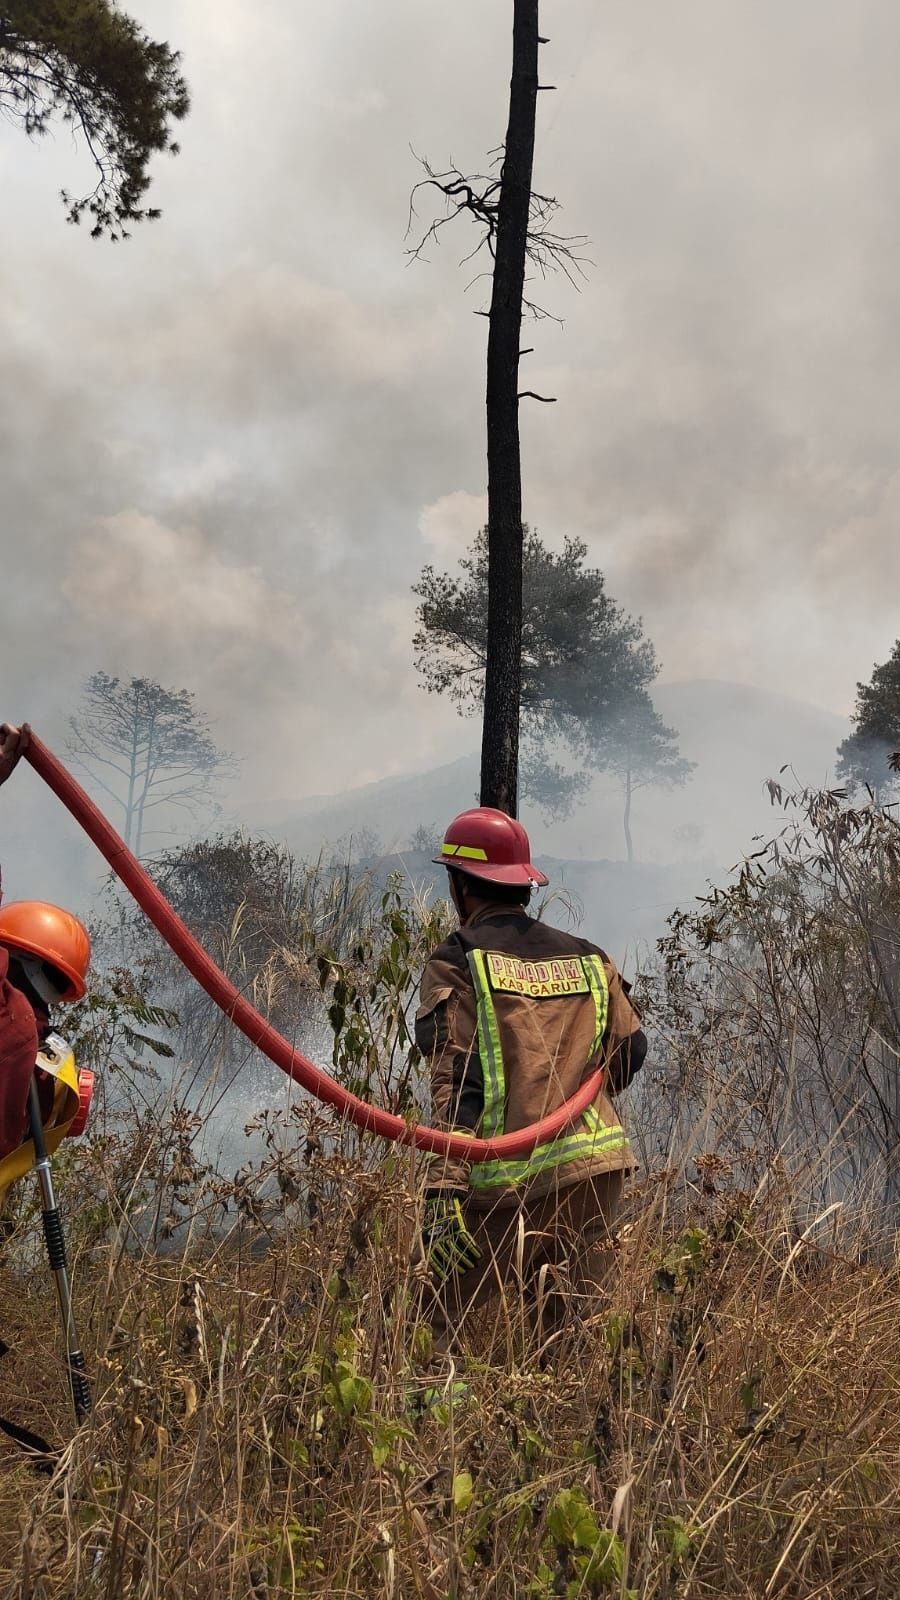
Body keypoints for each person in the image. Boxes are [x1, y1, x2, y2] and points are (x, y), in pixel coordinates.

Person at [416, 806, 647, 1356]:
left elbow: (456, 1073)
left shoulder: (458, 959)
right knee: (572, 1333)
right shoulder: (591, 958)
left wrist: (444, 1189)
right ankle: (576, 1427)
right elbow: (631, 1051)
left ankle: (439, 1425)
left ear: (458, 885)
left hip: (502, 1183)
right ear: (523, 884)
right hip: (592, 1174)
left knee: (432, 1323)